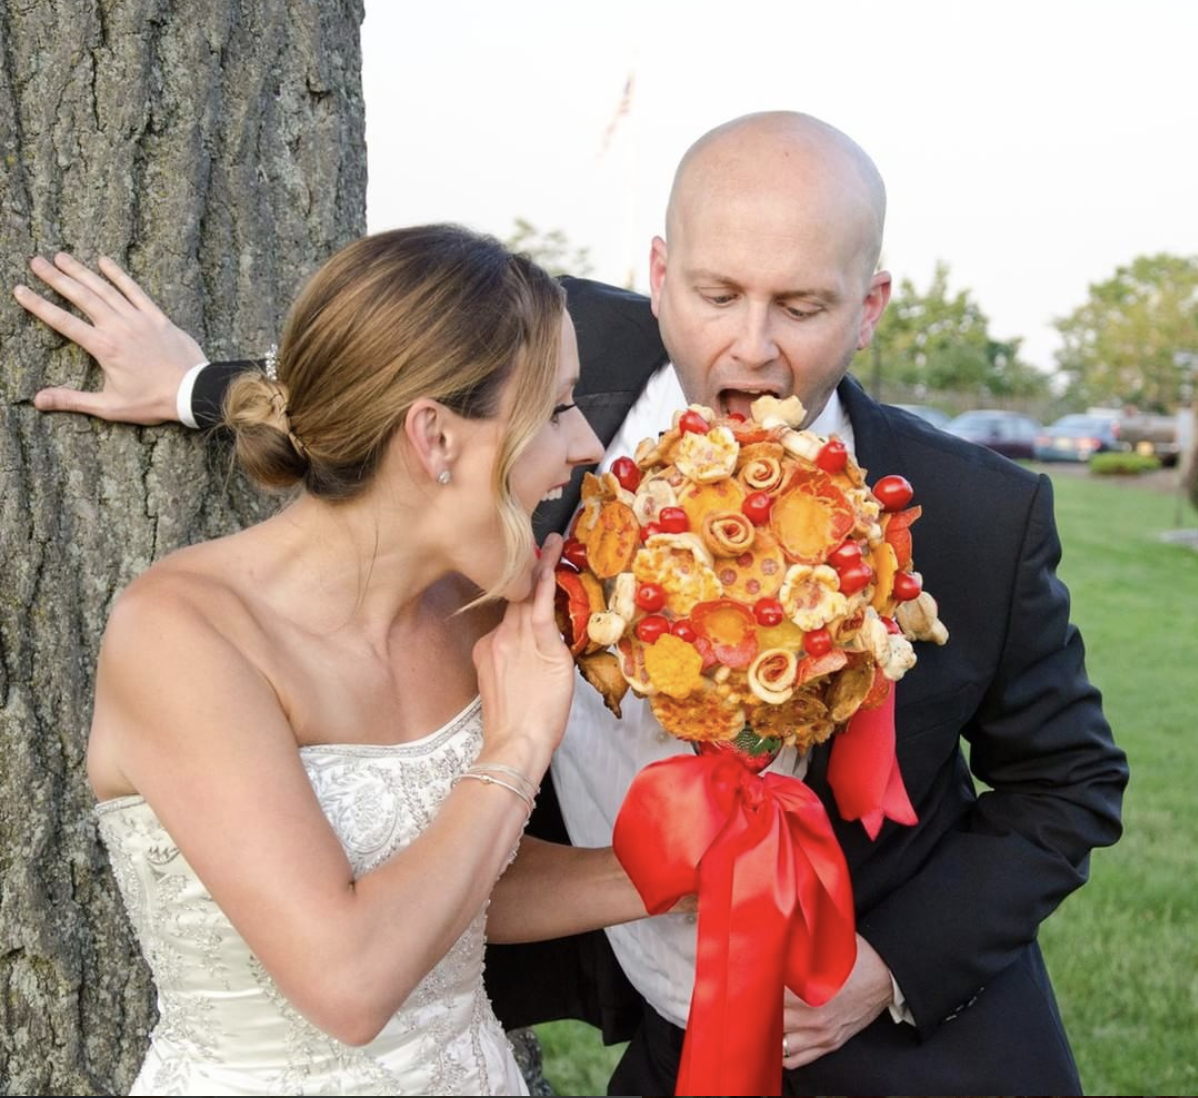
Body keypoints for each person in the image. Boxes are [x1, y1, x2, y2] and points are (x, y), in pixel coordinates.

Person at [17, 112, 1128, 1096]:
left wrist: (882, 970)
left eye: (799, 304)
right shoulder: (542, 363)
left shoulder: (982, 514)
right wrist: (189, 383)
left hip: (903, 1053)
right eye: (716, 293)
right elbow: (381, 381)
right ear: (657, 271)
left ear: (869, 303)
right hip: (632, 1031)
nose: (750, 343)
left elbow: (1069, 781)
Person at [18, 222, 677, 1096]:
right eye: (556, 410)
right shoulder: (182, 637)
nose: (586, 448)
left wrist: (673, 868)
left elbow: (460, 891)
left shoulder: (476, 616)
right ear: (435, 439)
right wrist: (516, 748)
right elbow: (350, 984)